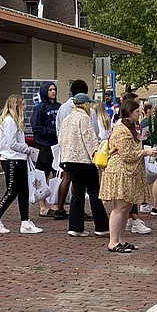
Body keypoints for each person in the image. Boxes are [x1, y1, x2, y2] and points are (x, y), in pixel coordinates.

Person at [100, 99, 157, 253]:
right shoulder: (121, 129)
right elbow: (126, 154)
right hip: (120, 172)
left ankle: (121, 240)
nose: (138, 114)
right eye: (136, 112)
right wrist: (145, 152)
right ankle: (113, 242)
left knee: (125, 207)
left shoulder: (128, 127)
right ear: (128, 113)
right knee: (119, 208)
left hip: (127, 172)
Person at [0, 94, 43, 235]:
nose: (25, 107)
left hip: (18, 159)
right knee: (12, 191)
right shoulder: (10, 121)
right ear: (17, 106)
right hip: (13, 159)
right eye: (23, 105)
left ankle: (25, 222)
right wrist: (26, 149)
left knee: (23, 191)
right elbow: (12, 143)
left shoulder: (12, 121)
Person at [58, 93, 109, 237]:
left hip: (69, 160)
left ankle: (75, 226)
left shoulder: (67, 119)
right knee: (94, 192)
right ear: (85, 104)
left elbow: (61, 139)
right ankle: (101, 226)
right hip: (84, 160)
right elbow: (90, 140)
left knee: (77, 193)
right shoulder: (84, 118)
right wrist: (97, 157)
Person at [54, 79, 90, 220]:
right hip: (81, 151)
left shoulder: (63, 108)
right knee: (79, 181)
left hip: (66, 148)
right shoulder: (87, 110)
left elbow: (58, 128)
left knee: (66, 177)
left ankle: (60, 208)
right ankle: (78, 209)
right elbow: (92, 130)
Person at [30, 81, 60, 217]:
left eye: (54, 89)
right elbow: (36, 127)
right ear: (44, 91)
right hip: (44, 145)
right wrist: (51, 132)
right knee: (43, 175)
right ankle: (42, 206)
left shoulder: (59, 107)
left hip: (57, 145)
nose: (53, 92)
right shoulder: (40, 108)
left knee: (57, 174)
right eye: (50, 90)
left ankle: (55, 203)